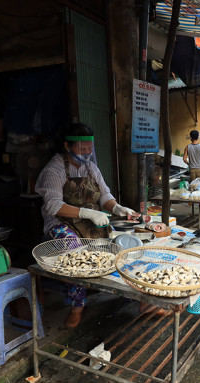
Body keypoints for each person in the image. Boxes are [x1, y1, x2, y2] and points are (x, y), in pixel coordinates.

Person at [35, 123, 139, 328]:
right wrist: (87, 213)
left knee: (117, 246)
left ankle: (124, 294)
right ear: (68, 146)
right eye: (83, 148)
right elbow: (53, 206)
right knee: (75, 250)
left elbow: (105, 197)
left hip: (91, 220)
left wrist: (118, 208)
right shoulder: (54, 170)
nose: (88, 151)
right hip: (61, 222)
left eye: (89, 147)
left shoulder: (91, 167)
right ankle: (77, 306)